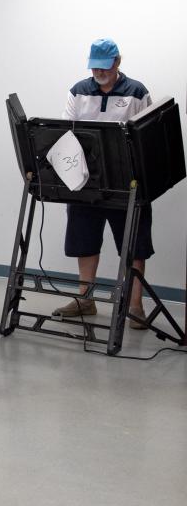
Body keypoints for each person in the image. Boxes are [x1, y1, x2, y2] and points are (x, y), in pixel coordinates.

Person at [55, 38, 153, 329]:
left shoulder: (137, 92)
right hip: (86, 181)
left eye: (104, 67)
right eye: (94, 67)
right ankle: (85, 299)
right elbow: (66, 131)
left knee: (134, 245)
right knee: (84, 239)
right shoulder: (79, 91)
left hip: (127, 183)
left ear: (117, 62)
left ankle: (135, 306)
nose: (99, 73)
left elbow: (146, 134)